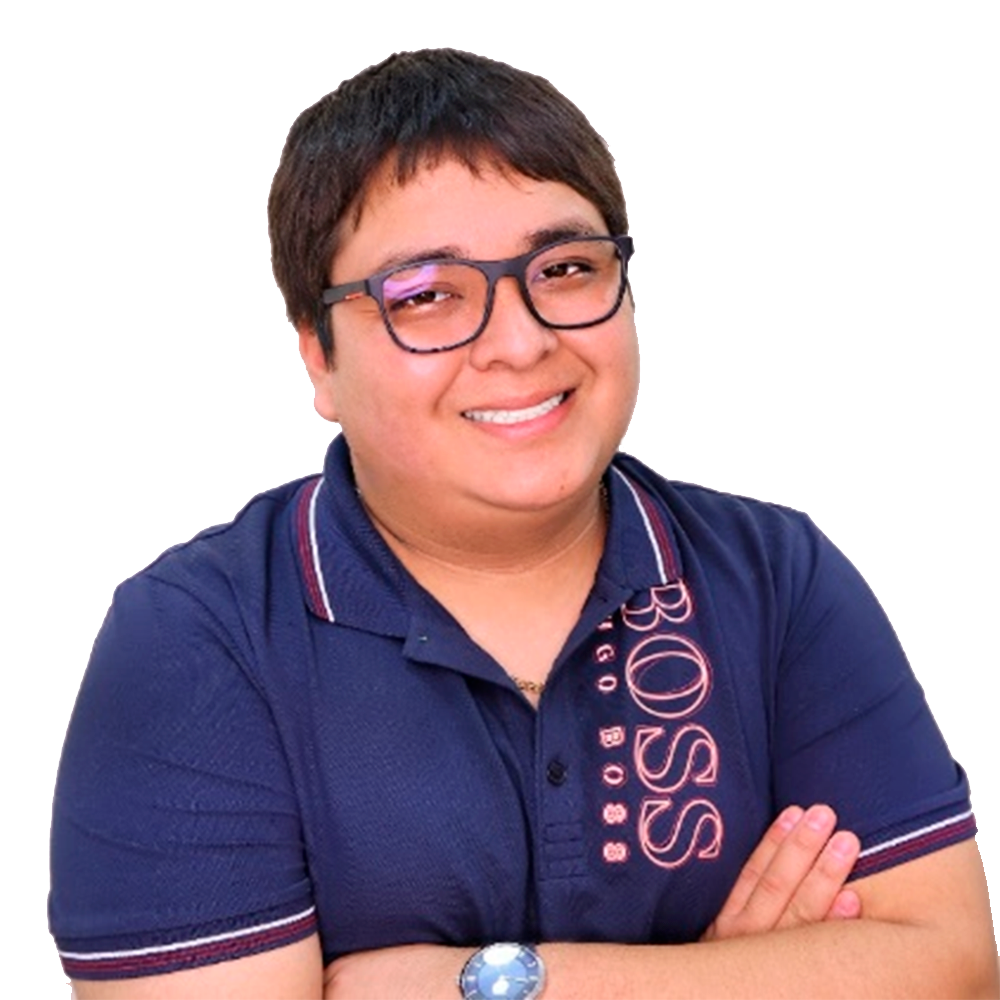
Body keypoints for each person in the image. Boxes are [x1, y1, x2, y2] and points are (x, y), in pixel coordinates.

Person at [49, 48, 997, 999]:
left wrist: (470, 984)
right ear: (319, 361)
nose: (521, 341)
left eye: (568, 268)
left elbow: (950, 970)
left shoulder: (777, 579)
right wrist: (736, 977)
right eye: (426, 294)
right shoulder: (196, 642)